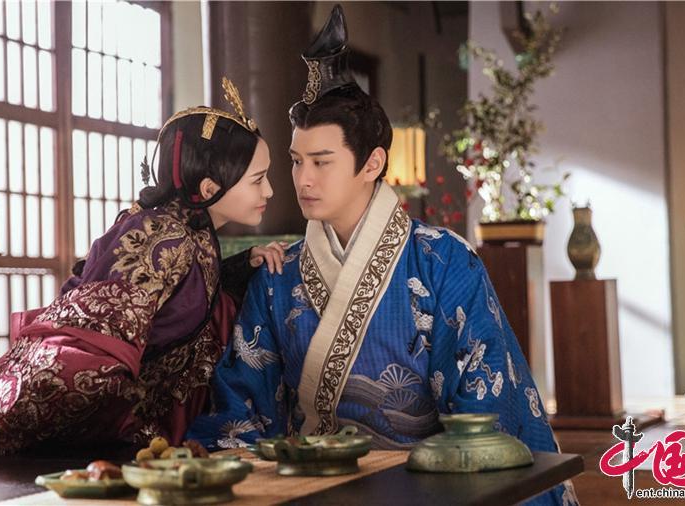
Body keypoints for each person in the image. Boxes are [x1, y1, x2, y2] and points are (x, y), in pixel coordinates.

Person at [187, 8, 577, 505]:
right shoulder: (278, 275)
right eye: (296, 161)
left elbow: (485, 416)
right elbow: (241, 413)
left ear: (372, 163)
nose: (303, 179)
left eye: (322, 162)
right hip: (315, 491)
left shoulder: (442, 262)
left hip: (431, 491)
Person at [0, 77, 287, 474]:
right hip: (50, 428)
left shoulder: (189, 232)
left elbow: (177, 305)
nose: (269, 191)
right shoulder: (162, 237)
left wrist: (241, 267)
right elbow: (88, 348)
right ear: (210, 186)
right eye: (258, 179)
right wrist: (131, 433)